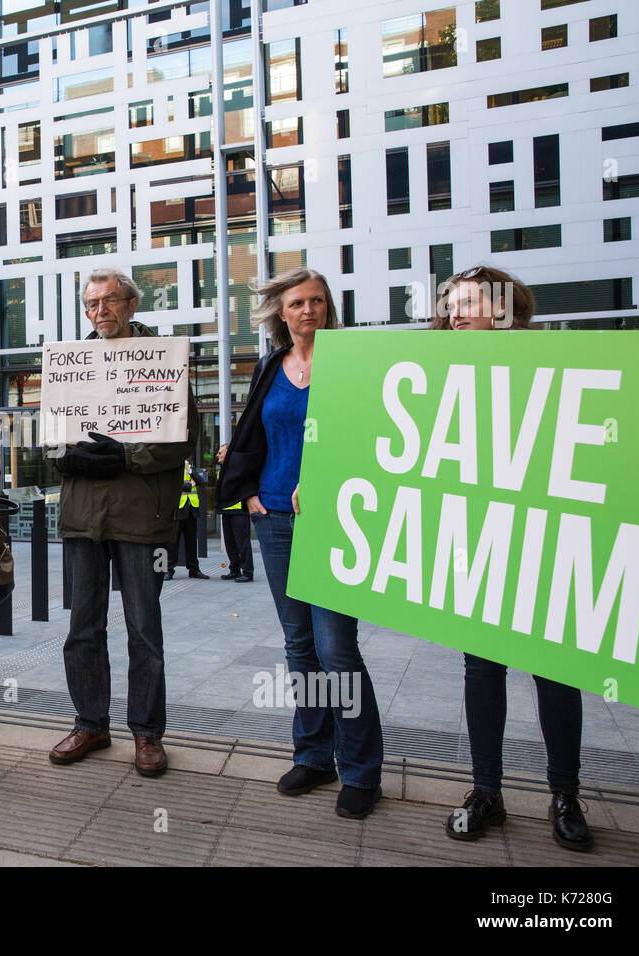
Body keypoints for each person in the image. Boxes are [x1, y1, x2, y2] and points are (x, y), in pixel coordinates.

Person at [431, 264, 591, 851]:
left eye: (471, 301)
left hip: (545, 536)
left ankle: (565, 794)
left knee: (554, 669)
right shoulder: (439, 370)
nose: (458, 312)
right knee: (482, 669)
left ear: (507, 308)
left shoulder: (552, 361)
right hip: (479, 540)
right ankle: (486, 791)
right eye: (452, 304)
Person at [219, 267, 384, 818]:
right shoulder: (270, 366)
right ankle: (315, 756)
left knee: (338, 648)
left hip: (337, 522)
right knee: (300, 647)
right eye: (296, 303)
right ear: (282, 313)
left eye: (316, 301)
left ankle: (361, 771)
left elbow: (370, 439)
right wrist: (249, 496)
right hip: (275, 520)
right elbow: (253, 436)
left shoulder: (350, 366)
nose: (307, 310)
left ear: (328, 308)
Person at [47, 267, 200, 778]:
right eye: (91, 304)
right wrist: (62, 459)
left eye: (109, 301)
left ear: (132, 305)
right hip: (82, 517)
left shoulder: (163, 361)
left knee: (143, 629)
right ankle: (90, 723)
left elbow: (183, 439)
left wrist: (127, 457)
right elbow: (51, 439)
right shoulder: (70, 364)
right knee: (81, 628)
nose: (100, 312)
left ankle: (147, 733)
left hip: (142, 517)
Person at [216, 438, 253, 582]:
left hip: (239, 511)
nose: (217, 455)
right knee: (230, 543)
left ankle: (248, 572)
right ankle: (234, 569)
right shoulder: (222, 471)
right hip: (226, 511)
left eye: (220, 453)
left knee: (242, 543)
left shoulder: (237, 469)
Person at [165, 460, 209, 580]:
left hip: (192, 510)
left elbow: (200, 481)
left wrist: (189, 470)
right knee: (173, 542)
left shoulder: (190, 468)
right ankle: (169, 569)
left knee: (191, 542)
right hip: (178, 509)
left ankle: (194, 569)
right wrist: (189, 485)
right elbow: (172, 485)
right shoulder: (173, 468)